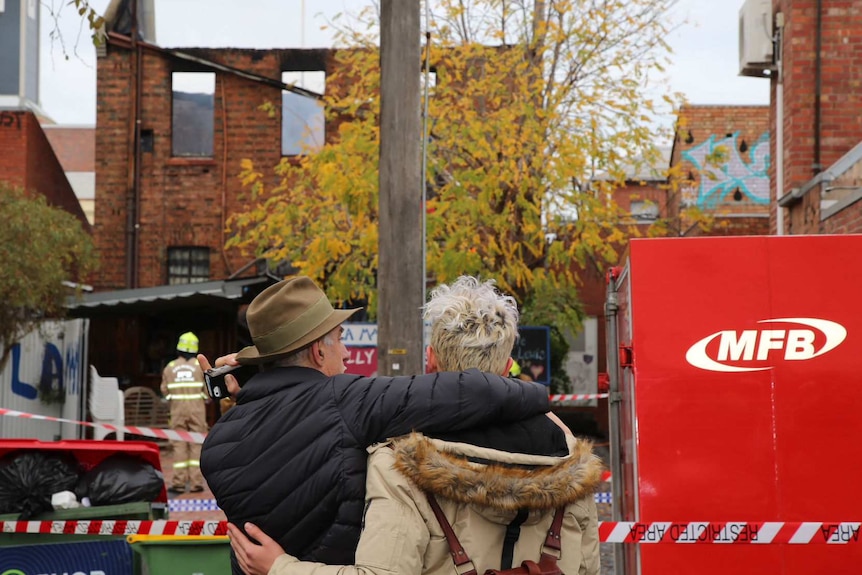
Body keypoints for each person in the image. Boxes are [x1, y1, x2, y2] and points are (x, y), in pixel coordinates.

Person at [228, 276, 602, 575]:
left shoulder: (399, 464)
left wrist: (279, 567)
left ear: (430, 361)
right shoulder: (573, 462)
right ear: (507, 371)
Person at [160, 331, 208, 495]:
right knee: (196, 444)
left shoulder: (170, 367)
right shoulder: (199, 366)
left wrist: (173, 399)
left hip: (177, 410)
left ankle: (179, 482)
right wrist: (204, 398)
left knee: (179, 444)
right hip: (197, 410)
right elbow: (208, 391)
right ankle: (196, 483)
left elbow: (164, 391)